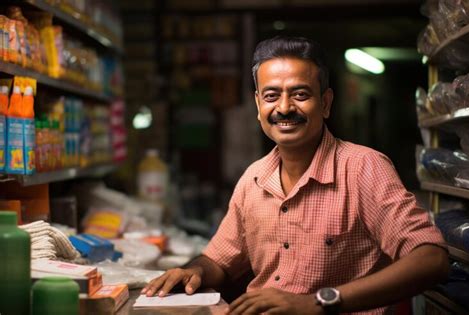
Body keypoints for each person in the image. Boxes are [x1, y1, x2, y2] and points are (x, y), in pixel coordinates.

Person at [142, 36, 449, 315]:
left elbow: (431, 259)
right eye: (272, 96)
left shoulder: (363, 168)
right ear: (259, 105)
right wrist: (192, 270)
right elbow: (219, 261)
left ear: (326, 103)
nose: (285, 107)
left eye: (300, 94)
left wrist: (319, 301)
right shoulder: (254, 178)